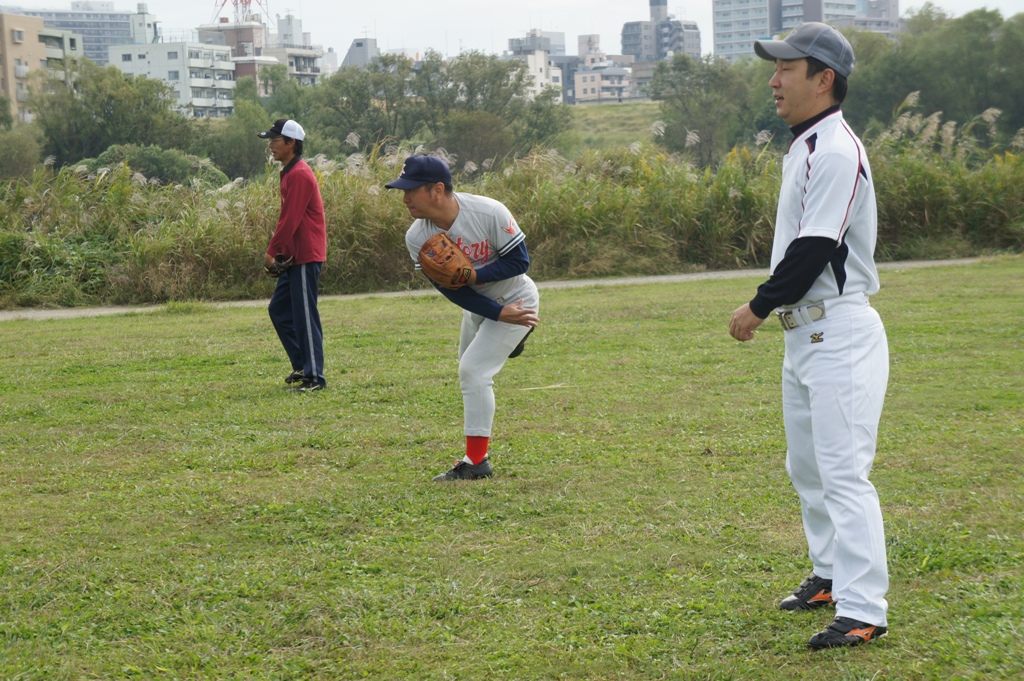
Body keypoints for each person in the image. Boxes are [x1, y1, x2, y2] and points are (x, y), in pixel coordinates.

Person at [728, 23, 890, 650]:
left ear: (823, 80)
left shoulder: (836, 149)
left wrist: (757, 306)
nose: (773, 79)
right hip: (808, 336)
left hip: (840, 329)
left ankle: (864, 606)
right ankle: (828, 574)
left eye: (786, 69)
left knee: (844, 472)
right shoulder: (806, 144)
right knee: (809, 468)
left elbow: (816, 247)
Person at [386, 155, 539, 481]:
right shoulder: (417, 237)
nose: (405, 198)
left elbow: (519, 261)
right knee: (467, 369)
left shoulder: (488, 211)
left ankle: (476, 462)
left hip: (518, 300)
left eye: (411, 189)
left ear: (437, 190)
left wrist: (474, 276)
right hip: (483, 308)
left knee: (474, 371)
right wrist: (496, 312)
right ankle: (509, 343)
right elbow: (451, 290)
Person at [258, 118, 327, 392]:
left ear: (291, 143)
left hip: (305, 255)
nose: (271, 145)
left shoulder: (298, 174)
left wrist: (272, 252)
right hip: (294, 257)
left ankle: (315, 378)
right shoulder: (288, 172)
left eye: (275, 140)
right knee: (279, 310)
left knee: (304, 316)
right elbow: (288, 219)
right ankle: (302, 364)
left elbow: (290, 219)